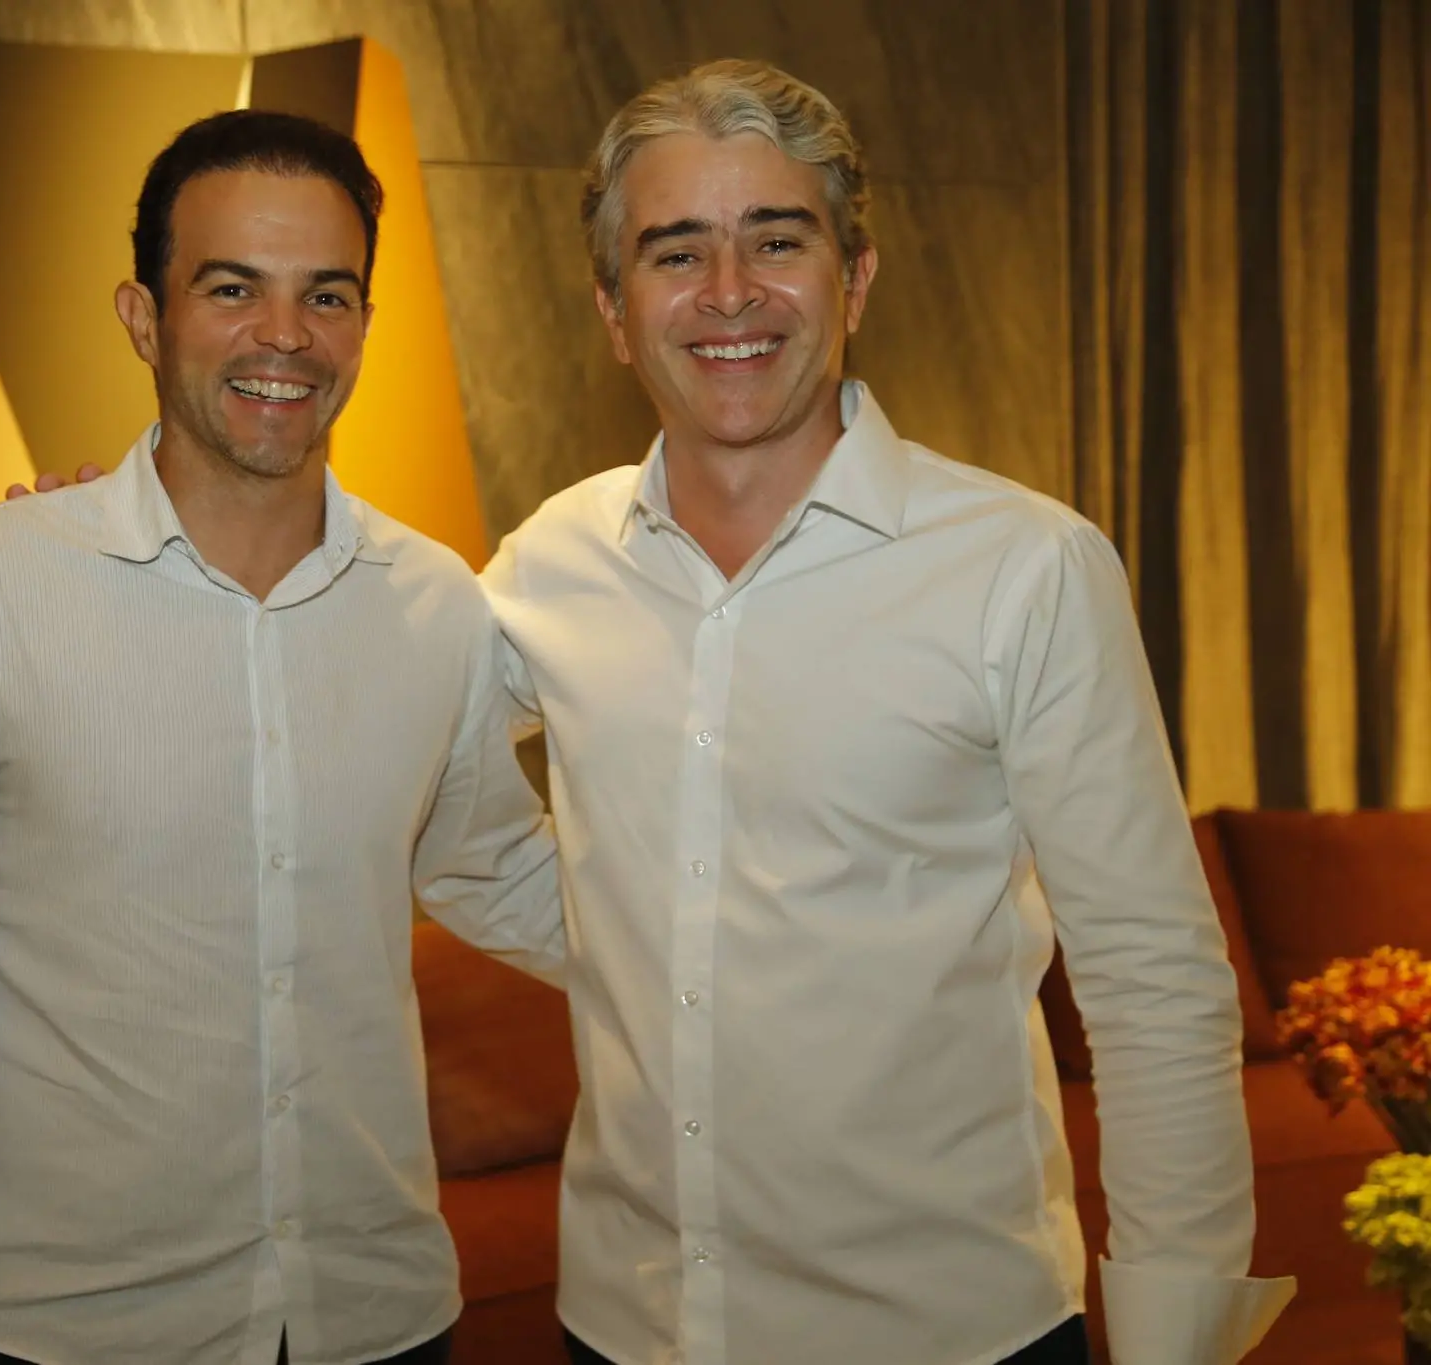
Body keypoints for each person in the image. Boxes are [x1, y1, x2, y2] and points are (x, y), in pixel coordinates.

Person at [478, 60, 1296, 1365]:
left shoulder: (1023, 568)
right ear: (614, 310)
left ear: (854, 279)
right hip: (627, 1325)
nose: (729, 291)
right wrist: (628, 932)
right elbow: (406, 771)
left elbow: (1152, 978)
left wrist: (1170, 1340)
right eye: (675, 252)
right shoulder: (547, 565)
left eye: (777, 240)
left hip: (951, 1333)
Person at [0, 110, 563, 1365]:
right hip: (72, 1332)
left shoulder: (434, 604)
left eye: (326, 295)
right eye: (231, 288)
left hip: (378, 1316)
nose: (284, 335)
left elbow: (495, 865)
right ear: (144, 318)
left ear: (363, 324)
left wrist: (790, 934)